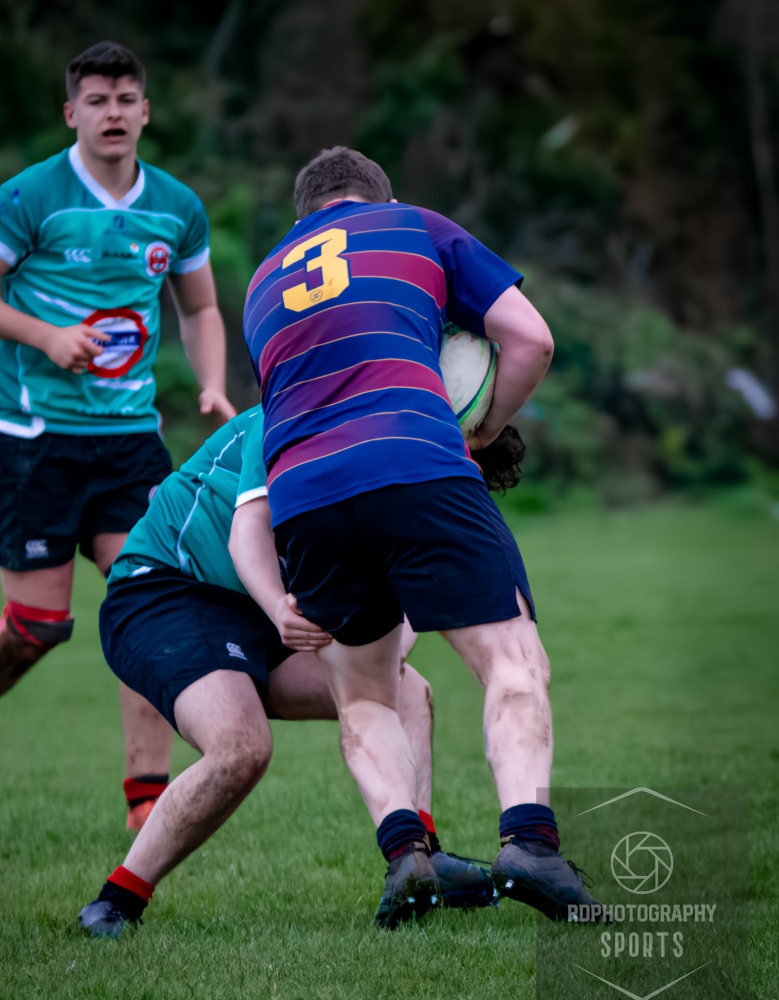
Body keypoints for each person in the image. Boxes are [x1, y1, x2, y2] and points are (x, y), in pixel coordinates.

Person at [241, 147, 601, 923]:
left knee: (366, 690)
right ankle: (530, 844)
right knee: (511, 660)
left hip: (300, 493)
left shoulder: (262, 282)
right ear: (377, 199)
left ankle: (407, 855)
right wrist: (483, 425)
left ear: (306, 215)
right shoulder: (417, 228)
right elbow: (531, 341)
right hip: (414, 459)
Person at [0, 41, 236, 842]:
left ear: (146, 110)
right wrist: (45, 337)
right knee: (36, 629)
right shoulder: (31, 196)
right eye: (97, 99)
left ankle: (147, 796)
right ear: (71, 112)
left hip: (130, 442)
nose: (113, 113)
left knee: (148, 603)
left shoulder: (177, 206)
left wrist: (212, 381)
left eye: (127, 98)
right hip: (32, 442)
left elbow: (200, 308)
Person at [77, 406, 496, 938]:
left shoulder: (391, 446)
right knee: (241, 745)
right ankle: (115, 902)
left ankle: (419, 861)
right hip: (167, 590)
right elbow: (247, 536)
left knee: (405, 691)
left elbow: (397, 620)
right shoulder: (292, 411)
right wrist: (282, 608)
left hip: (260, 606)